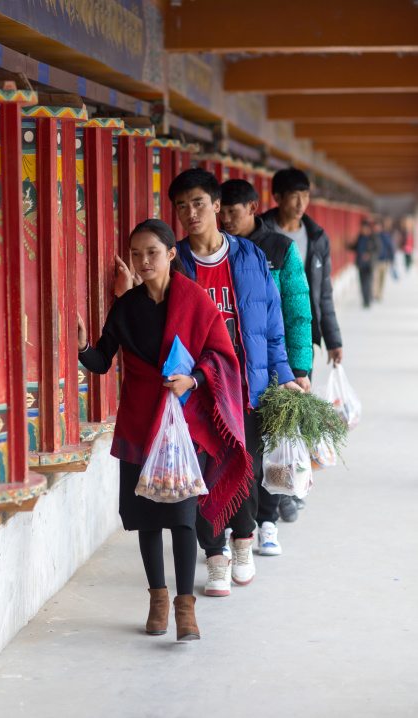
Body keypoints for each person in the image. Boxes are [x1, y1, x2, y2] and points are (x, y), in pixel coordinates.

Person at [79, 218, 252, 638]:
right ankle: (158, 599)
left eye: (152, 252)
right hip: (140, 420)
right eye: (136, 254)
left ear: (172, 254)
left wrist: (192, 380)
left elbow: (222, 356)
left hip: (180, 424)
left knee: (181, 516)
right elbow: (104, 361)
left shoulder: (194, 300)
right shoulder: (126, 306)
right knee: (146, 516)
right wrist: (83, 346)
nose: (143, 261)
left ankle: (184, 608)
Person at [167, 167, 302, 598]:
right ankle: (215, 556)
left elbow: (272, 323)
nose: (191, 213)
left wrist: (285, 376)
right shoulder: (177, 263)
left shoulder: (249, 256)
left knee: (246, 466)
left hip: (249, 384)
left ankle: (242, 541)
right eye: (182, 206)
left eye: (199, 203)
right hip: (198, 388)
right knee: (206, 472)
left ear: (216, 206)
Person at [220, 178, 313, 523]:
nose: (226, 219)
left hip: (277, 364)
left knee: (274, 442)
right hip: (233, 365)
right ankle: (244, 519)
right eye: (222, 211)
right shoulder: (217, 248)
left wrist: (300, 368)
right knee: (243, 447)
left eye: (233, 211)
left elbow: (298, 310)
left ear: (252, 208)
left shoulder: (280, 248)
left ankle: (272, 513)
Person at [261, 168, 343, 375]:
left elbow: (324, 292)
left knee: (300, 397)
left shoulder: (317, 238)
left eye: (305, 196)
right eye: (295, 197)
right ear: (278, 197)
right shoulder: (259, 233)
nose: (301, 204)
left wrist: (333, 340)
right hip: (265, 332)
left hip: (302, 334)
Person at [349, 219, 379, 308]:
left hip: (369, 264)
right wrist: (349, 244)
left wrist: (369, 255)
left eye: (365, 228)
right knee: (362, 283)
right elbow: (355, 248)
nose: (363, 230)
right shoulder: (360, 237)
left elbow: (377, 250)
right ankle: (364, 300)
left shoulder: (373, 238)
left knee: (368, 282)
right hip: (361, 264)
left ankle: (368, 300)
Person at [372, 217, 395, 301]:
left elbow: (390, 247)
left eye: (378, 226)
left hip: (384, 260)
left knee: (382, 278)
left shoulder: (385, 236)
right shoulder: (372, 236)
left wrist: (392, 258)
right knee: (375, 278)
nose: (376, 228)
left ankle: (380, 293)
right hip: (376, 261)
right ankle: (375, 294)